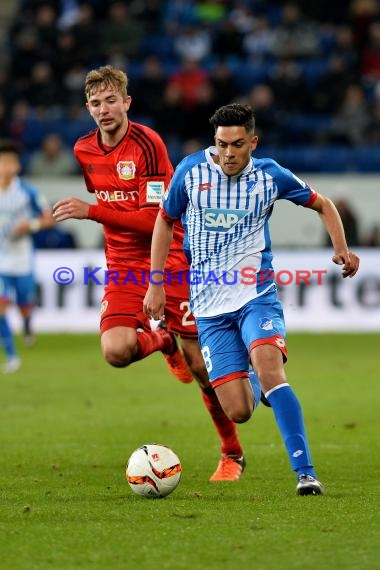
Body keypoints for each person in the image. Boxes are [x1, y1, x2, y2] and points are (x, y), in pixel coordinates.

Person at [52, 66, 259, 481]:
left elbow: (153, 221)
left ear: (127, 102)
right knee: (116, 352)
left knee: (200, 368)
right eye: (95, 103)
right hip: (121, 267)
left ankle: (231, 454)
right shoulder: (83, 150)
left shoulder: (147, 145)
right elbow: (117, 212)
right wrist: (101, 217)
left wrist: (89, 211)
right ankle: (163, 339)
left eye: (111, 100)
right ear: (87, 108)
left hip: (170, 260)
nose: (104, 109)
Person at [143, 102, 360, 495]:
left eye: (237, 144)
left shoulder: (270, 175)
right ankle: (254, 381)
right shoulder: (191, 171)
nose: (228, 153)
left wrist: (342, 248)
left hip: (255, 296)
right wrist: (155, 282)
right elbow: (164, 220)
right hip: (208, 309)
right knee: (239, 411)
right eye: (222, 144)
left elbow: (323, 204)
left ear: (252, 142)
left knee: (272, 371)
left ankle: (305, 473)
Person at [0, 139, 54, 373]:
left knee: (24, 303)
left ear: (17, 166)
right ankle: (12, 356)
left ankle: (27, 322)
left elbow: (49, 217)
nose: (6, 167)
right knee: (1, 306)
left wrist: (30, 225)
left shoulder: (27, 191)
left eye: (10, 162)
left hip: (22, 260)